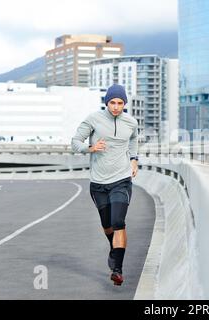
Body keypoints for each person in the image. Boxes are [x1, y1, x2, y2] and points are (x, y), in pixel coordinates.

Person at [71, 84, 139, 286]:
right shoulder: (94, 119)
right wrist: (91, 148)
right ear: (106, 102)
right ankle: (113, 248)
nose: (116, 107)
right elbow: (75, 142)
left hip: (121, 180)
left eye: (120, 103)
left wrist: (134, 159)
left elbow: (134, 139)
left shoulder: (131, 122)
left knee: (119, 222)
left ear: (124, 103)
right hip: (99, 183)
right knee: (107, 225)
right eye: (112, 103)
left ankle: (117, 269)